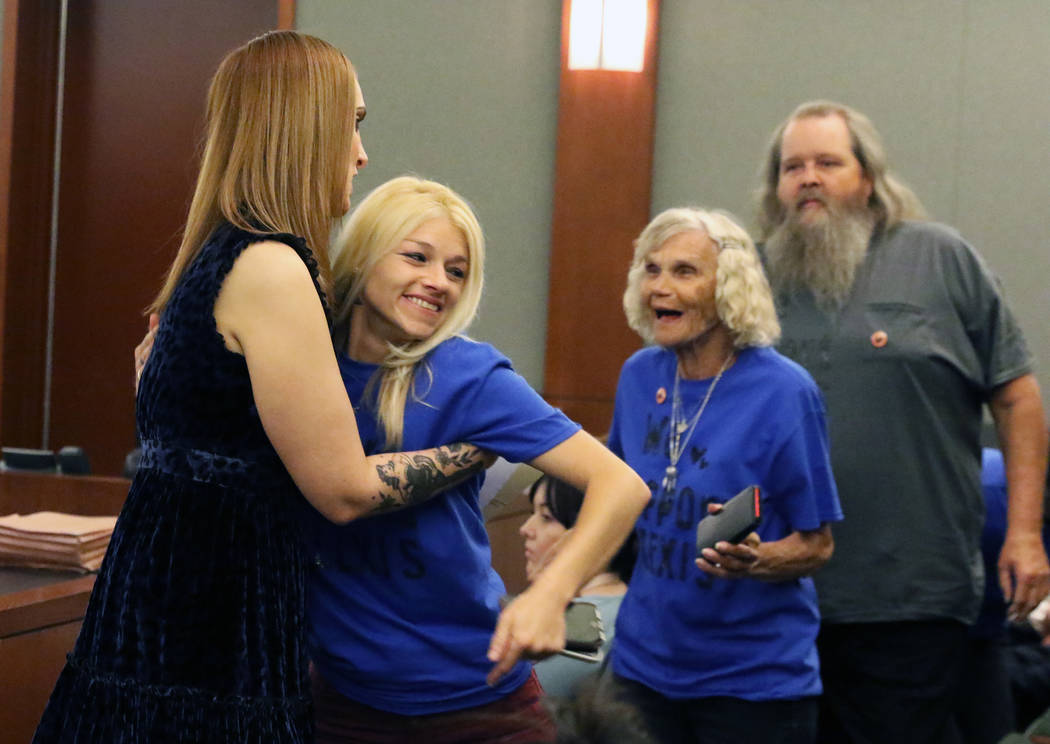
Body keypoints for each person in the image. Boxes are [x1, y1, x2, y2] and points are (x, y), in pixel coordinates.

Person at [32, 32, 493, 744]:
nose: (362, 154)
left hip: (161, 601)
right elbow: (343, 489)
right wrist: (474, 449)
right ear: (304, 129)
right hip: (213, 618)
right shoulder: (273, 266)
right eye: (354, 125)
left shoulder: (213, 259)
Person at [299, 175, 650, 743]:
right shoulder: (304, 364)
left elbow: (621, 485)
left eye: (456, 271)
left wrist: (550, 594)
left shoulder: (467, 375)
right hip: (343, 703)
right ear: (363, 258)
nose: (438, 282)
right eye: (417, 257)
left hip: (478, 703)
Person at [755, 99, 1050, 744]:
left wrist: (1025, 533)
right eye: (792, 166)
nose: (808, 177)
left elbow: (1019, 398)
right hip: (773, 596)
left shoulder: (939, 258)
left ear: (867, 177)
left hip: (908, 595)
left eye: (828, 162)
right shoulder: (751, 278)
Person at [606, 207, 842, 743]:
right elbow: (615, 500)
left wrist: (757, 560)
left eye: (684, 272)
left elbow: (819, 544)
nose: (659, 288)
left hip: (751, 688)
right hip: (641, 673)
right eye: (651, 269)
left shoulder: (786, 392)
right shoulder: (639, 375)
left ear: (730, 286)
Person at [520, 474, 636, 698]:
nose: (526, 529)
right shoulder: (624, 605)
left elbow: (522, 700)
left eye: (546, 517)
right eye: (531, 513)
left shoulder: (595, 620)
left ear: (588, 533)